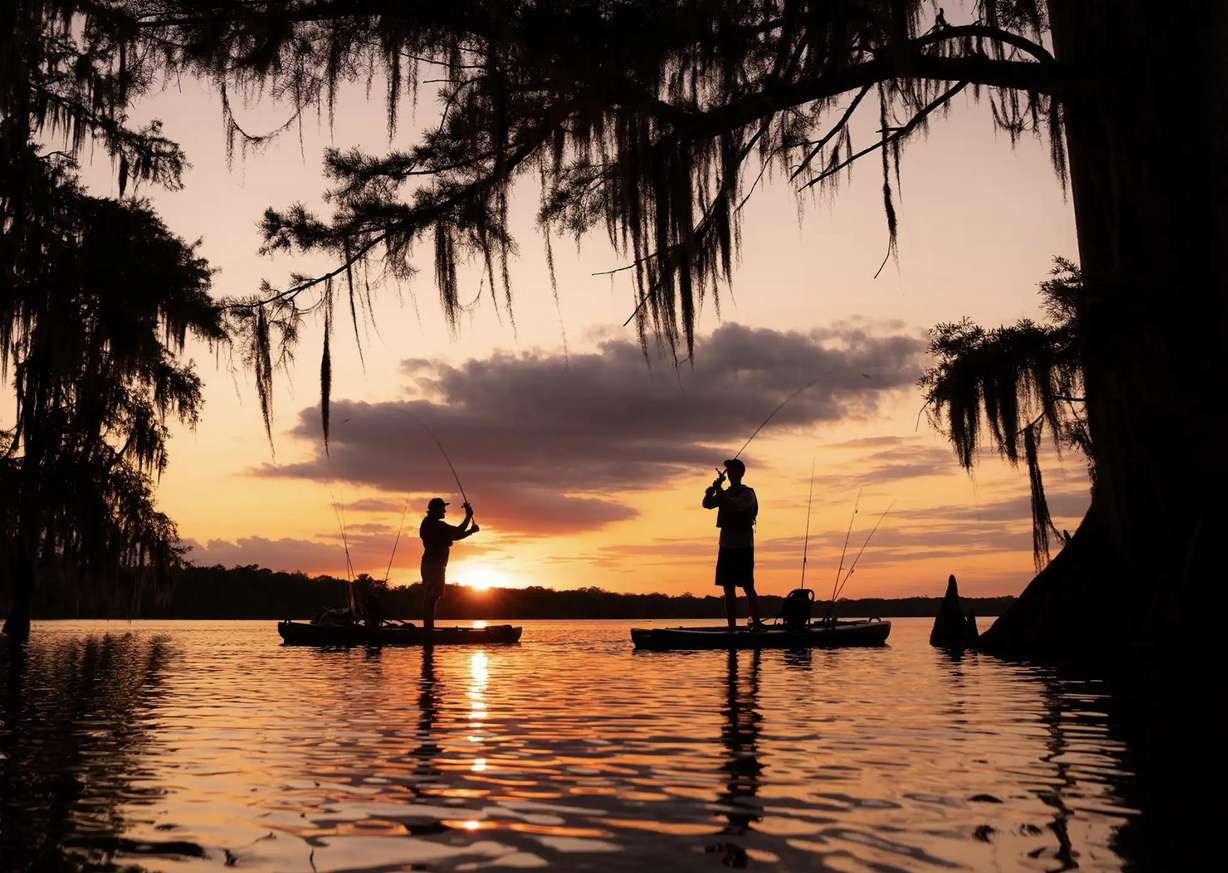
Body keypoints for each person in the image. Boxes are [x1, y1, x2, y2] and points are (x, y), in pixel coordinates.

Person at [703, 459, 762, 630]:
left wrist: (720, 491)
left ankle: (756, 625)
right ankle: (731, 628)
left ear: (740, 473)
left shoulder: (747, 493)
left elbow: (737, 506)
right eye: (728, 470)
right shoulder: (725, 492)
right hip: (726, 546)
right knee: (728, 589)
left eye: (732, 470)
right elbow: (707, 504)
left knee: (748, 587)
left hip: (743, 547)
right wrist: (711, 491)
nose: (729, 473)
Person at [419, 497, 479, 629]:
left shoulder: (429, 523)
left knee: (432, 597)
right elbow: (458, 531)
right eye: (443, 508)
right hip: (434, 566)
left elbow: (456, 535)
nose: (444, 511)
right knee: (432, 597)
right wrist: (468, 516)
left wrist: (470, 531)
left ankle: (428, 628)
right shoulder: (435, 524)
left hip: (432, 565)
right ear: (435, 510)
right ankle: (428, 630)